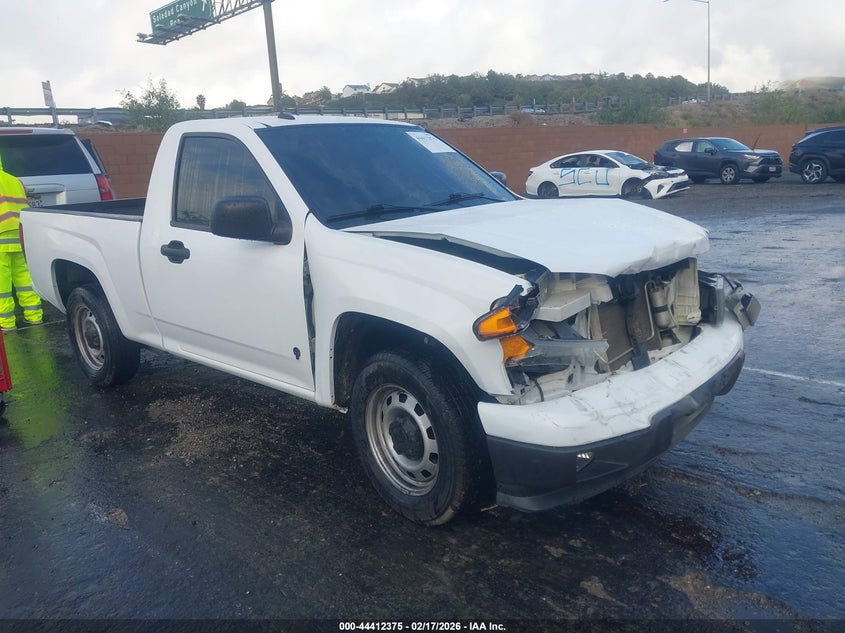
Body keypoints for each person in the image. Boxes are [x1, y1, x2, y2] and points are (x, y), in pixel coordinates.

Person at [0, 153, 42, 332]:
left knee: (2, 284)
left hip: (1, 237)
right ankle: (35, 317)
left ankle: (7, 323)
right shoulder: (16, 181)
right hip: (19, 234)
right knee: (25, 279)